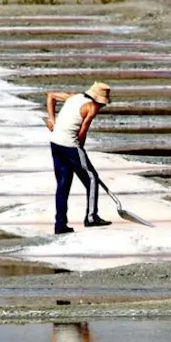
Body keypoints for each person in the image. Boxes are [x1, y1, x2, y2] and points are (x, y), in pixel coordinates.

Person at [46, 82, 112, 234]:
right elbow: (82, 133)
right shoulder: (92, 107)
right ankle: (91, 217)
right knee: (92, 179)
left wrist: (52, 121)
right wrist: (80, 149)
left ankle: (60, 225)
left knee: (63, 184)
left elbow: (51, 96)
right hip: (70, 146)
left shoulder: (74, 97)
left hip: (55, 143)